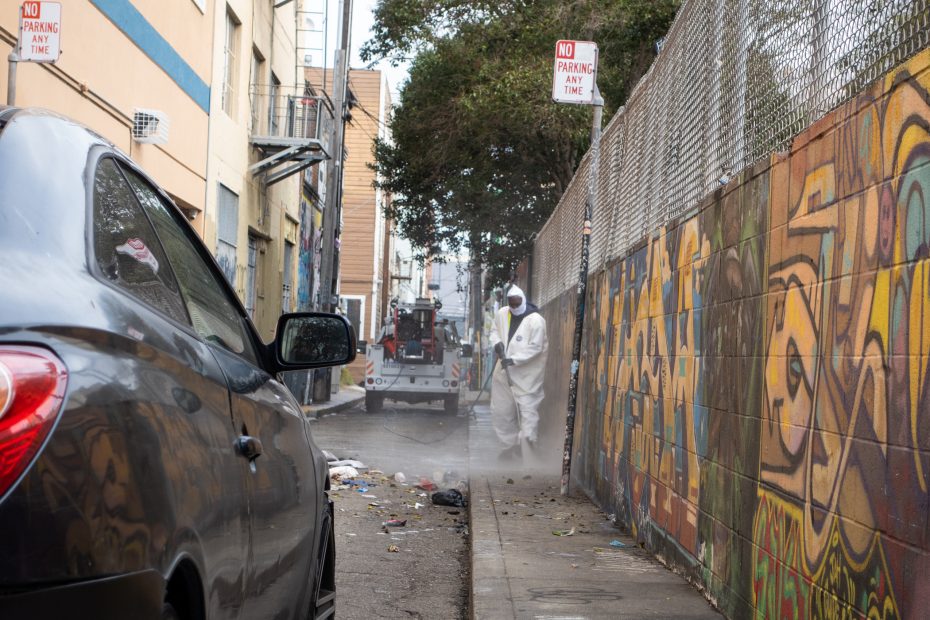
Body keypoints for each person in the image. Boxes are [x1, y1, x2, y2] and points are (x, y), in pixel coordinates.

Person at [488, 284, 548, 459]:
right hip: (503, 372)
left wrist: (514, 359)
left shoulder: (536, 320)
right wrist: (496, 343)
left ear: (522, 300)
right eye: (511, 304)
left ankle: (528, 449)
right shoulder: (502, 314)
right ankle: (509, 447)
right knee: (501, 410)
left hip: (527, 375)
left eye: (517, 303)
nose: (514, 307)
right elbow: (494, 331)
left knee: (528, 410)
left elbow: (536, 347)